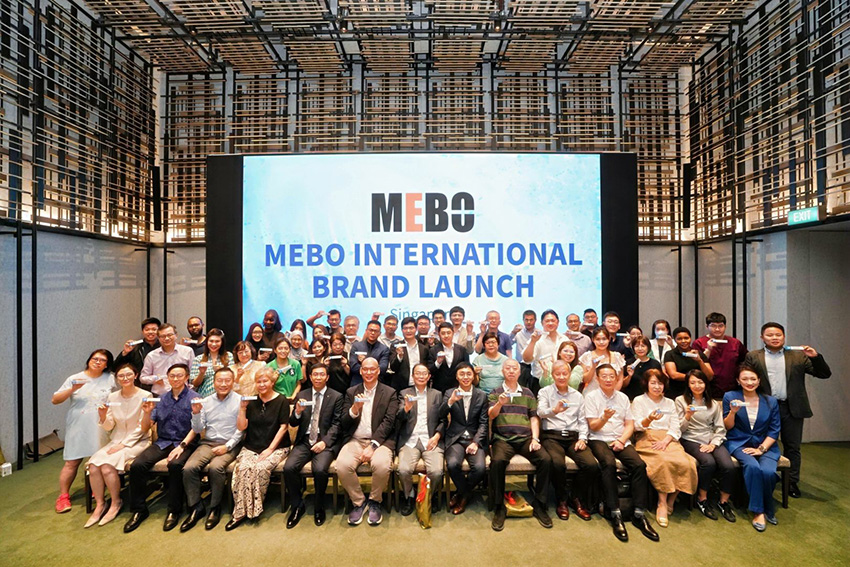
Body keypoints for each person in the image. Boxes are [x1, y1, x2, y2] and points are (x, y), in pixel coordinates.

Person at [743, 322, 831, 498]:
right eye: (770, 335)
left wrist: (815, 357)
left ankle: (791, 482)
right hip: (764, 407)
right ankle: (762, 477)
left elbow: (824, 374)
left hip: (791, 407)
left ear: (784, 336)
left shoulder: (798, 356)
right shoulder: (753, 356)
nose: (774, 338)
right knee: (759, 443)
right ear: (762, 338)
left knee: (792, 446)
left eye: (778, 335)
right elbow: (745, 378)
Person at [585, 364, 659, 542]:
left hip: (620, 439)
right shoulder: (591, 397)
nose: (608, 379)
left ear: (617, 378)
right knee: (608, 464)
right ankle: (615, 512)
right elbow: (593, 426)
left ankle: (639, 513)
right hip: (599, 438)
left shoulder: (623, 398)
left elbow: (629, 425)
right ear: (597, 379)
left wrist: (621, 440)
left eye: (612, 376)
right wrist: (604, 418)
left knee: (639, 465)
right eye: (604, 376)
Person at [124, 363, 199, 533]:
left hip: (185, 442)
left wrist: (182, 446)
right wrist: (146, 413)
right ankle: (139, 510)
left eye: (179, 375)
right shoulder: (161, 399)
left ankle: (174, 510)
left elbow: (197, 428)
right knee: (137, 465)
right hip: (163, 441)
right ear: (167, 378)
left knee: (175, 465)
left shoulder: (195, 398)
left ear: (187, 377)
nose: (175, 379)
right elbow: (147, 427)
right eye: (172, 376)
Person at [488, 359, 553, 531]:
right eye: (507, 368)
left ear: (519, 372)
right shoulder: (495, 392)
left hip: (525, 439)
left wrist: (535, 439)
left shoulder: (527, 393)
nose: (511, 371)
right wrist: (499, 403)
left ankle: (539, 504)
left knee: (545, 459)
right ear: (502, 371)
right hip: (503, 439)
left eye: (514, 368)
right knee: (498, 462)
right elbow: (491, 415)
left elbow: (533, 418)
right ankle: (499, 506)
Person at [225, 367, 290, 530]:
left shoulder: (281, 400)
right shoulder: (251, 401)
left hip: (277, 447)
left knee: (259, 468)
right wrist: (242, 408)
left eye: (265, 381)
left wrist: (270, 449)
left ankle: (254, 510)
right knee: (243, 468)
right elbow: (241, 427)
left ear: (272, 382)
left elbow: (283, 427)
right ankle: (239, 512)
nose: (261, 384)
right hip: (251, 446)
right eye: (258, 381)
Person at [631, 369, 698, 527]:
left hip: (668, 438)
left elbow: (675, 425)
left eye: (660, 383)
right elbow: (636, 426)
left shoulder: (669, 402)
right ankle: (662, 503)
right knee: (663, 461)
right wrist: (649, 419)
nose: (657, 387)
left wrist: (666, 440)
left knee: (687, 463)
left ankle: (671, 500)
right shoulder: (639, 401)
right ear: (646, 384)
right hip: (647, 437)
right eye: (653, 383)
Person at [86, 362, 149, 527]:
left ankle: (115, 502)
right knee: (93, 465)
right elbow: (109, 426)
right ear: (117, 379)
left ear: (135, 376)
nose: (125, 378)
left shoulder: (145, 395)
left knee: (107, 467)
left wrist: (124, 444)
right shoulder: (112, 397)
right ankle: (100, 504)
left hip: (138, 441)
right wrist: (102, 416)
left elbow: (143, 427)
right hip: (116, 440)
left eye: (129, 374)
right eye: (121, 375)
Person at [52, 349, 115, 514]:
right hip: (78, 424)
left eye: (102, 360)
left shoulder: (110, 378)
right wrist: (72, 389)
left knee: (97, 460)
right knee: (72, 462)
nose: (98, 362)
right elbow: (55, 399)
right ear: (89, 360)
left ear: (107, 364)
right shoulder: (75, 378)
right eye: (95, 359)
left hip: (100, 424)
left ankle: (95, 488)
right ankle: (63, 496)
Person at [338, 358, 399, 527]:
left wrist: (373, 446)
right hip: (356, 440)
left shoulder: (390, 393)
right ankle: (359, 502)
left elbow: (389, 422)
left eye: (373, 369)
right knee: (342, 465)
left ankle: (374, 501)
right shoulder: (351, 392)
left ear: (378, 371)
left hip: (381, 441)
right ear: (361, 371)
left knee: (381, 465)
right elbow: (343, 423)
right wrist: (354, 409)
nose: (369, 372)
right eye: (365, 369)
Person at [181, 367, 243, 532]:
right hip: (208, 443)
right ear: (214, 382)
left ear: (233, 382)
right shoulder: (206, 401)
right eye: (219, 380)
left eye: (227, 380)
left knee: (216, 468)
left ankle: (215, 507)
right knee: (189, 468)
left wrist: (227, 446)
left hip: (230, 444)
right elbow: (198, 428)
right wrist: (196, 414)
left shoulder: (240, 400)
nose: (223, 384)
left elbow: (241, 430)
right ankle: (196, 507)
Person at [284, 363, 344, 528]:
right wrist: (297, 411)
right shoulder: (302, 395)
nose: (318, 377)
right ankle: (297, 506)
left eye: (321, 374)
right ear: (310, 377)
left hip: (324, 441)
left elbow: (337, 424)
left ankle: (319, 506)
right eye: (315, 374)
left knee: (320, 469)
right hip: (304, 440)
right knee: (289, 468)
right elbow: (293, 423)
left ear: (327, 377)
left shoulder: (336, 396)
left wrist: (325, 442)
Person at [723, 366, 781, 531]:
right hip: (738, 442)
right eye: (745, 379)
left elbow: (774, 430)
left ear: (759, 380)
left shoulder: (771, 401)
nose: (749, 382)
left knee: (768, 472)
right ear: (738, 381)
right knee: (753, 466)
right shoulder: (730, 396)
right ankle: (760, 511)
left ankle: (765, 505)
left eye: (753, 379)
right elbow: (727, 426)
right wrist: (733, 412)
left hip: (765, 445)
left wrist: (761, 449)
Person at [537, 360, 597, 521]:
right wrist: (554, 410)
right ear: (552, 375)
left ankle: (575, 497)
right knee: (557, 463)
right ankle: (561, 500)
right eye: (558, 374)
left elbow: (582, 420)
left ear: (570, 375)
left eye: (565, 374)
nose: (562, 377)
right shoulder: (545, 392)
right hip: (552, 436)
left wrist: (583, 438)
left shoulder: (577, 395)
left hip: (573, 437)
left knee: (591, 465)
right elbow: (540, 412)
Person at [675, 369, 736, 522]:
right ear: (688, 385)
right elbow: (678, 429)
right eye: (693, 382)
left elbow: (720, 428)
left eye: (700, 382)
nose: (697, 385)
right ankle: (702, 498)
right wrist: (687, 416)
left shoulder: (713, 403)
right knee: (708, 462)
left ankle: (724, 502)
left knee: (728, 466)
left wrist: (713, 444)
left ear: (706, 384)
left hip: (711, 438)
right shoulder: (680, 401)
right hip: (690, 438)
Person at [397, 364, 446, 516]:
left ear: (429, 376)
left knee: (436, 471)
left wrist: (437, 436)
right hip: (410, 440)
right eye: (417, 373)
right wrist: (406, 408)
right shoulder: (404, 393)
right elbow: (398, 418)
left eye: (424, 373)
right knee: (403, 470)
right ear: (413, 376)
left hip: (430, 439)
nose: (421, 376)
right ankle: (410, 496)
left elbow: (443, 419)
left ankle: (428, 496)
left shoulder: (437, 394)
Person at [439, 363, 488, 515]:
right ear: (456, 376)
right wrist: (451, 401)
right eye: (462, 374)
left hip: (474, 438)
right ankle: (466, 494)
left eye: (468, 374)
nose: (465, 377)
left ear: (473, 376)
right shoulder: (450, 392)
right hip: (456, 438)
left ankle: (461, 494)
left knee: (480, 468)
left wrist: (476, 442)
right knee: (452, 464)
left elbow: (484, 423)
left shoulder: (481, 395)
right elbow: (440, 415)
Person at [692, 312, 747, 398]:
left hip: (732, 388)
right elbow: (697, 364)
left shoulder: (735, 343)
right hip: (708, 389)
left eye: (721, 326)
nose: (717, 329)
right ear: (707, 326)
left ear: (725, 327)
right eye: (713, 326)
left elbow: (744, 361)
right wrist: (708, 350)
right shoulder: (699, 343)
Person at [140, 323, 195, 396]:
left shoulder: (187, 351)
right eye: (163, 336)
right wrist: (155, 378)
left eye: (169, 335)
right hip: (159, 395)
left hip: (183, 394)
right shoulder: (151, 356)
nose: (166, 338)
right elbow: (143, 378)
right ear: (158, 338)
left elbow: (193, 374)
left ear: (176, 335)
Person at [523, 309, 567, 394]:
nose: (550, 323)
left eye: (553, 321)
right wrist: (532, 342)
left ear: (558, 322)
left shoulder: (564, 339)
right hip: (539, 382)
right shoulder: (536, 339)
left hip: (560, 381)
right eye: (547, 321)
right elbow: (526, 359)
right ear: (542, 323)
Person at [663, 327, 714, 400]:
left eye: (686, 338)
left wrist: (699, 360)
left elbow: (709, 376)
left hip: (698, 392)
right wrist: (694, 379)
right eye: (679, 339)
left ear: (690, 338)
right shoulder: (670, 354)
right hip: (677, 393)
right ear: (675, 340)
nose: (683, 341)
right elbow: (673, 375)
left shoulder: (699, 354)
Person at [388, 316, 433, 391]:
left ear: (416, 329)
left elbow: (428, 368)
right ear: (402, 330)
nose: (408, 331)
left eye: (411, 328)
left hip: (420, 386)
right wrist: (399, 356)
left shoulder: (424, 348)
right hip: (401, 387)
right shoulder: (396, 346)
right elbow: (393, 367)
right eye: (405, 328)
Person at [114, 317, 161, 388]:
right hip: (139, 386)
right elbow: (115, 368)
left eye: (154, 329)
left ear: (159, 331)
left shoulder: (164, 346)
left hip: (160, 386)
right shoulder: (135, 347)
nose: (150, 332)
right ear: (142, 331)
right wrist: (125, 352)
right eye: (147, 329)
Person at [578, 327, 626, 394]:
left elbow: (620, 379)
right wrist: (593, 367)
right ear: (593, 340)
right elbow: (584, 380)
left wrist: (612, 394)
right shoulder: (587, 356)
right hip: (591, 394)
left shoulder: (617, 356)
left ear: (609, 339)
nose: (601, 342)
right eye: (598, 339)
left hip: (613, 394)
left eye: (604, 339)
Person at [429, 322, 471, 392]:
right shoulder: (433, 350)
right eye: (443, 333)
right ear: (439, 334)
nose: (446, 336)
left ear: (453, 333)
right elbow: (430, 371)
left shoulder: (462, 350)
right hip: (439, 389)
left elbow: (467, 367)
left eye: (448, 333)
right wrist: (438, 362)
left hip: (458, 388)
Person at [189, 328, 232, 397]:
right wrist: (201, 373)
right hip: (205, 396)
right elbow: (194, 384)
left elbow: (233, 378)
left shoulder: (228, 356)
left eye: (217, 341)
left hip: (225, 396)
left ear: (222, 342)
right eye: (211, 341)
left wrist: (220, 371)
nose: (214, 344)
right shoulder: (198, 359)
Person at [349, 319, 390, 384]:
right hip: (358, 382)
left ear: (380, 333)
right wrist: (371, 370)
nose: (373, 333)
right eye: (371, 330)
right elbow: (353, 366)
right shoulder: (356, 346)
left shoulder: (384, 349)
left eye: (375, 331)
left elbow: (383, 368)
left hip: (377, 383)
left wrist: (364, 363)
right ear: (366, 331)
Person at [622, 336, 663, 400]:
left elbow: (661, 383)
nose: (640, 349)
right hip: (632, 398)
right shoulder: (628, 363)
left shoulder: (655, 364)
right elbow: (623, 385)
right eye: (637, 346)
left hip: (650, 398)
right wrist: (629, 376)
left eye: (643, 346)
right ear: (633, 348)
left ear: (648, 347)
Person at [267, 336, 303, 400]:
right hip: (275, 400)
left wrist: (293, 397)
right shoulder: (269, 366)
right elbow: (267, 387)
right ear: (275, 350)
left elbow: (298, 384)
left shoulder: (296, 364)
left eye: (286, 348)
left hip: (292, 399)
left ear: (290, 349)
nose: (283, 351)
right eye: (280, 348)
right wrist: (274, 379)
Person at [510, 309, 537, 386]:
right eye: (526, 320)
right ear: (523, 320)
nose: (528, 322)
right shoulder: (518, 333)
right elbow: (508, 343)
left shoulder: (538, 334)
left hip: (535, 366)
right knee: (520, 389)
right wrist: (513, 332)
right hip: (521, 366)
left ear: (535, 320)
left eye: (531, 320)